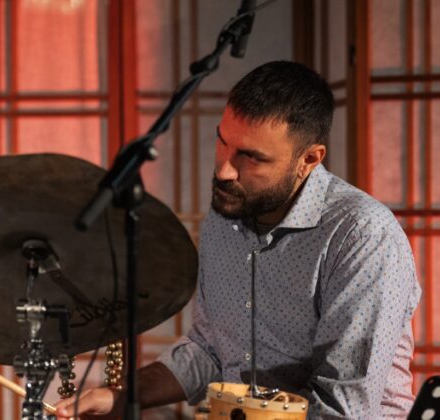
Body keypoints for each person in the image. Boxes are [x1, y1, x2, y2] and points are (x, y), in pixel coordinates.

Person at [56, 61, 421, 419]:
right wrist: (119, 396)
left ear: (308, 159)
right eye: (223, 142)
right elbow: (210, 349)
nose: (224, 170)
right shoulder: (226, 215)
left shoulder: (361, 236)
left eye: (251, 157)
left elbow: (343, 408)